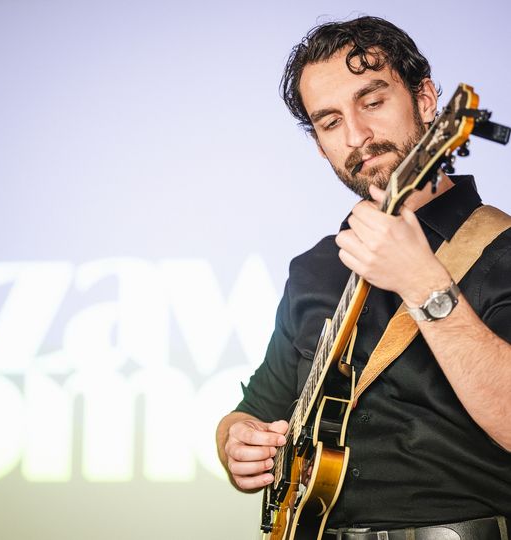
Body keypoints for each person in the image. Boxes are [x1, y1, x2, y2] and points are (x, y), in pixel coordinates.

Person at [215, 15, 511, 539]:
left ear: (426, 101)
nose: (357, 136)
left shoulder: (503, 250)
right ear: (319, 144)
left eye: (372, 102)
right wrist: (237, 442)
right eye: (330, 122)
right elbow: (253, 412)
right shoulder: (315, 268)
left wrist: (425, 285)